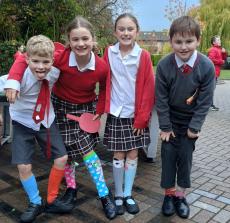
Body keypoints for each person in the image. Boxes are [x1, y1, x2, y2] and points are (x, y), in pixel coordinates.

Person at [5, 16, 117, 220]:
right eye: (75, 39)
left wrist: (100, 109)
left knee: (88, 153)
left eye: (85, 39)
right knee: (66, 154)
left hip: (85, 110)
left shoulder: (101, 66)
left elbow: (106, 86)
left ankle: (104, 196)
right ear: (69, 41)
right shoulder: (60, 56)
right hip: (59, 107)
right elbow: (24, 58)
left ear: (93, 40)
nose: (81, 44)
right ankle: (71, 190)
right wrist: (13, 81)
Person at [3, 35, 72, 223]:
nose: (41, 67)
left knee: (62, 157)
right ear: (27, 60)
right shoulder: (16, 77)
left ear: (52, 61)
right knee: (23, 165)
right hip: (23, 122)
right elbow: (8, 81)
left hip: (46, 120)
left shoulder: (54, 72)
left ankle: (51, 199)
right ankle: (35, 201)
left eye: (45, 62)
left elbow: (66, 55)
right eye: (35, 61)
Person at [155, 16, 215, 219]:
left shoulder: (206, 66)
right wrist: (164, 126)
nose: (183, 47)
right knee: (169, 158)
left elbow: (205, 101)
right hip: (169, 122)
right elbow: (161, 99)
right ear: (171, 41)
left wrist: (195, 126)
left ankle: (180, 196)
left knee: (185, 160)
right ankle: (168, 195)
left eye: (189, 41)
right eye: (178, 42)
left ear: (198, 40)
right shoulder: (164, 65)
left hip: (189, 123)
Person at [103, 13, 155, 215]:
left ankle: (127, 193)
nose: (125, 33)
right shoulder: (108, 52)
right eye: (121, 29)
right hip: (117, 112)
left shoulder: (143, 55)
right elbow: (102, 79)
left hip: (136, 115)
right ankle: (117, 194)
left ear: (137, 32)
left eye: (130, 29)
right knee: (118, 154)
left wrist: (142, 118)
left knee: (133, 154)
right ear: (115, 31)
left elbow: (149, 89)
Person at [208, 35, 227, 111]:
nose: (220, 41)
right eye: (218, 40)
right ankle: (210, 105)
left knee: (212, 89)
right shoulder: (213, 49)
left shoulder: (219, 49)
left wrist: (224, 52)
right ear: (214, 42)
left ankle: (209, 104)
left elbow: (224, 58)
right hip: (213, 72)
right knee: (210, 89)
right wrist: (221, 61)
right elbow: (211, 59)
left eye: (220, 40)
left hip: (216, 72)